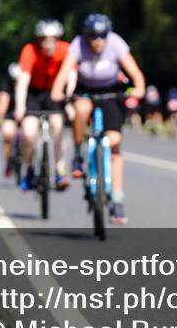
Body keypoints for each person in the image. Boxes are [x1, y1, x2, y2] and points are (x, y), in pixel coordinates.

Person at [51, 13, 145, 225]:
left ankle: (118, 202)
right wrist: (57, 91)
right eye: (93, 37)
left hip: (111, 92)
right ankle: (77, 155)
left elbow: (136, 74)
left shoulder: (116, 43)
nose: (97, 41)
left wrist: (137, 90)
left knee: (114, 144)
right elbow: (64, 73)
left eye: (102, 36)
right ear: (86, 36)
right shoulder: (78, 45)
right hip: (85, 91)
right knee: (81, 110)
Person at [15, 19, 71, 192]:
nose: (48, 43)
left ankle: (60, 169)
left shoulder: (65, 49)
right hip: (34, 93)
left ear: (58, 39)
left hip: (55, 92)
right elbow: (23, 81)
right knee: (29, 133)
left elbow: (71, 76)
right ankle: (29, 169)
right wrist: (20, 106)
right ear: (38, 40)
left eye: (53, 39)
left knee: (57, 125)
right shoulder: (29, 50)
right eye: (44, 39)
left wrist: (69, 101)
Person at [0, 63, 21, 177]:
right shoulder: (7, 85)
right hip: (10, 114)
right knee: (7, 134)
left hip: (26, 113)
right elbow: (2, 101)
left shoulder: (29, 83)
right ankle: (9, 160)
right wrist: (0, 115)